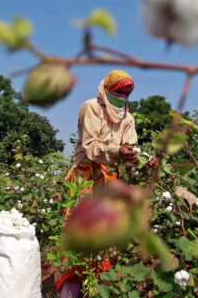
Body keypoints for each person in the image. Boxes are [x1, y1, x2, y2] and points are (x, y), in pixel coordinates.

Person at [56, 70, 156, 298]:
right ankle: (69, 293)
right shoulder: (90, 107)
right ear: (107, 90)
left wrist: (145, 159)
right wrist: (117, 151)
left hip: (111, 180)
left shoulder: (128, 118)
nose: (122, 97)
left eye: (127, 93)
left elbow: (131, 150)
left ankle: (99, 290)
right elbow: (91, 147)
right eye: (119, 92)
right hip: (86, 176)